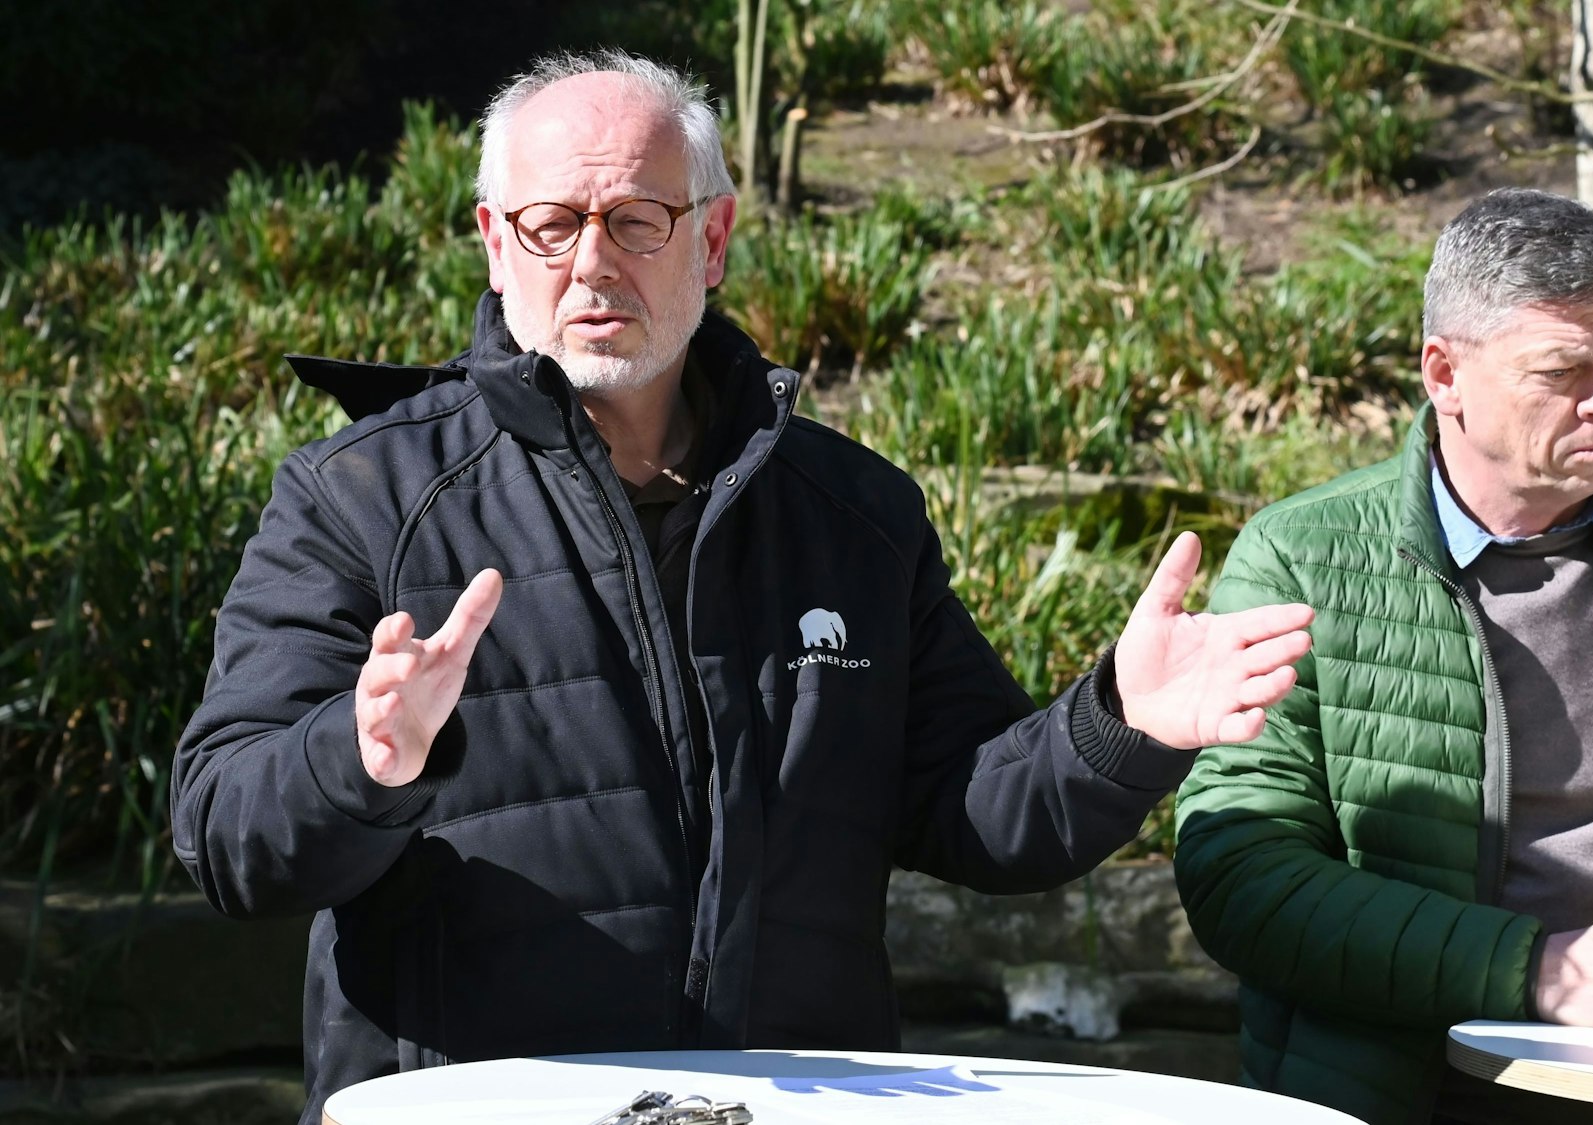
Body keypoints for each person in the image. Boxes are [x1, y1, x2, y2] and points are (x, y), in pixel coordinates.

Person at [170, 49, 1314, 1124]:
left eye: (636, 219)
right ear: (493, 242)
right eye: (552, 223)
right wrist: (361, 762)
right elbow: (225, 836)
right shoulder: (363, 495)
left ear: (711, 240)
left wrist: (1119, 723)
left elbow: (976, 813)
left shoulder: (852, 515)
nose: (589, 260)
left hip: (784, 1102)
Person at [1173, 189, 1593, 1125]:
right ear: (1444, 373)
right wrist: (1541, 970)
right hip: (1392, 1084)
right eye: (1564, 370)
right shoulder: (1302, 559)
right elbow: (1242, 872)